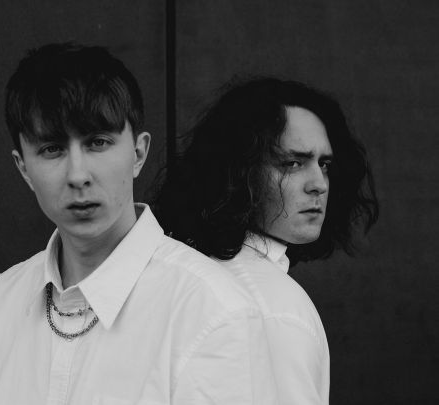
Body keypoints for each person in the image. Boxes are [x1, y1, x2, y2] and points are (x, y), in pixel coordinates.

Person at [0, 43, 278, 404]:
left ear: (138, 153)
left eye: (98, 142)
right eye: (52, 149)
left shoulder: (212, 308)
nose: (78, 175)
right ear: (24, 168)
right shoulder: (3, 299)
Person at [155, 77, 379, 405]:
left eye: (324, 165)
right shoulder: (276, 309)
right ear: (239, 170)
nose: (319, 183)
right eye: (293, 164)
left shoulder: (188, 273)